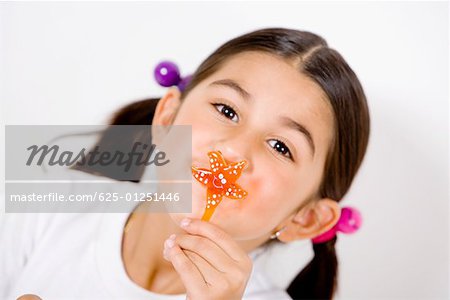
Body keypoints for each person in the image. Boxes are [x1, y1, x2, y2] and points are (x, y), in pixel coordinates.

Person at [2, 27, 370, 300]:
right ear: (166, 119)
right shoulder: (50, 203)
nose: (235, 152)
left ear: (305, 219)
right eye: (226, 110)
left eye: (280, 146)